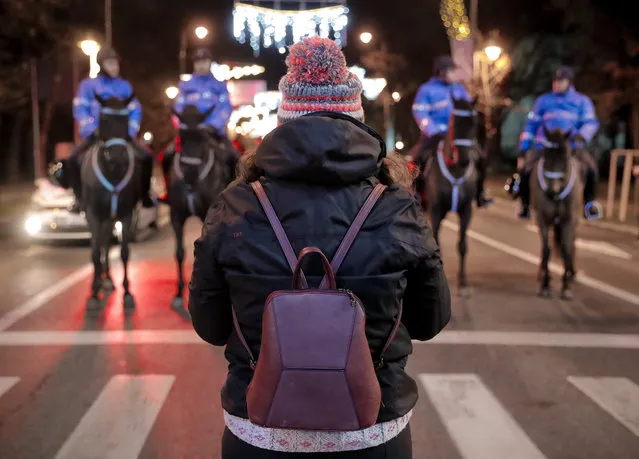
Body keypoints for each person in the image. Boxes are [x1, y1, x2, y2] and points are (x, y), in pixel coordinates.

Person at [188, 36, 451, 459]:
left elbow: (210, 326)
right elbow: (430, 320)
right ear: (357, 119)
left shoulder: (234, 205)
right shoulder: (398, 208)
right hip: (372, 434)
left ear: (283, 120)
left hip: (259, 434)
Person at [69, 47, 155, 213]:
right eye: (110, 63)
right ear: (102, 65)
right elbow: (80, 109)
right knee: (73, 159)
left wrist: (130, 130)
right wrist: (92, 128)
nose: (115, 66)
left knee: (146, 157)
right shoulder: (88, 86)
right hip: (97, 135)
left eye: (116, 63)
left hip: (122, 136)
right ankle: (78, 199)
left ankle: (145, 196)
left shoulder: (125, 86)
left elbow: (135, 110)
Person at [515, 66, 601, 220]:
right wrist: (524, 149)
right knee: (526, 170)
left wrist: (582, 136)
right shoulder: (543, 101)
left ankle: (589, 205)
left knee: (591, 169)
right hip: (544, 147)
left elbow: (590, 122)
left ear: (569, 82)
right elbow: (531, 126)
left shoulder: (582, 101)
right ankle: (525, 205)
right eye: (555, 81)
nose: (557, 84)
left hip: (572, 147)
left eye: (561, 81)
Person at [411, 55, 493, 208]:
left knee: (480, 157)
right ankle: (414, 195)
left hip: (458, 136)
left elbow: (468, 110)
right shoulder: (426, 90)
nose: (455, 74)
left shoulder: (459, 89)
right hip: (435, 135)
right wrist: (432, 130)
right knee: (416, 160)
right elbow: (419, 112)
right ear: (441, 72)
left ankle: (480, 193)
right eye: (452, 71)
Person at [161, 47, 233, 196]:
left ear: (210, 63)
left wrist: (212, 126)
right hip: (190, 136)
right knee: (167, 155)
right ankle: (168, 192)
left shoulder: (219, 86)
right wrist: (185, 126)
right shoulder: (186, 86)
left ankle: (232, 195)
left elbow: (225, 108)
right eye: (198, 61)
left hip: (214, 134)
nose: (201, 65)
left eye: (204, 61)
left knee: (234, 157)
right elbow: (178, 109)